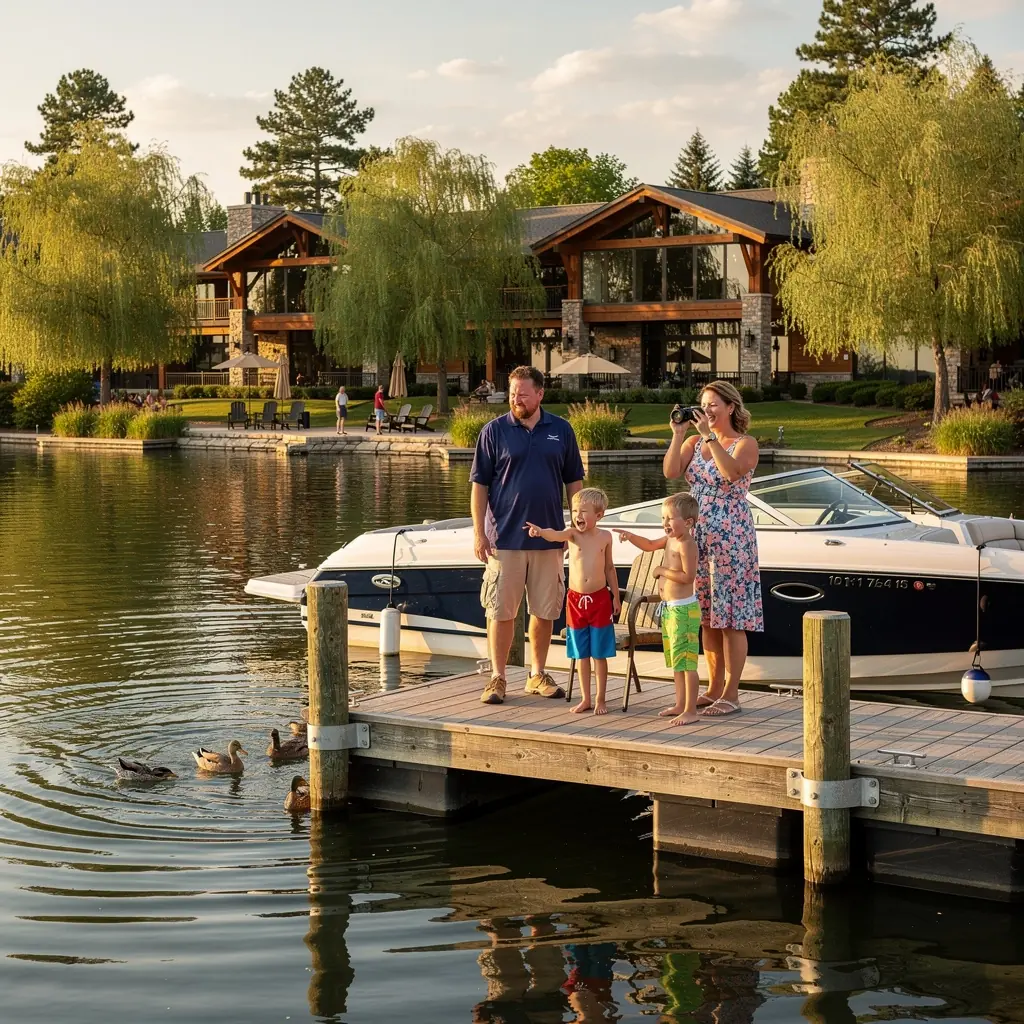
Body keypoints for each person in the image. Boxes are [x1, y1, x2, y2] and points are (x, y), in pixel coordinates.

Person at [470, 364, 584, 706]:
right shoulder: (493, 431)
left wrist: (575, 530)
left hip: (549, 538)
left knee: (545, 610)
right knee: (501, 610)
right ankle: (498, 677)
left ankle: (537, 674)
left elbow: (574, 483)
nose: (515, 399)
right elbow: (478, 487)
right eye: (512, 393)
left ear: (539, 394)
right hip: (503, 538)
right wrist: (479, 533)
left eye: (522, 393)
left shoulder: (561, 431)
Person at [662, 381, 763, 717]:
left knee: (731, 617)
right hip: (697, 534)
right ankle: (713, 688)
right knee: (706, 616)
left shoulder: (745, 444)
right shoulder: (692, 441)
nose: (705, 410)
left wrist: (709, 436)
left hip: (731, 535)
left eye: (713, 405)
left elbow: (731, 474)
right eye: (702, 404)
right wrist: (678, 434)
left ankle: (732, 694)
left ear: (731, 407)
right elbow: (671, 472)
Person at [525, 487, 620, 715]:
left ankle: (601, 699)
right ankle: (586, 698)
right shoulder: (572, 535)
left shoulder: (605, 537)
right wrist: (540, 532)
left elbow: (609, 567)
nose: (578, 515)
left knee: (599, 654)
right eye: (575, 510)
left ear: (599, 515)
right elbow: (555, 534)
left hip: (599, 600)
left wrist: (615, 596)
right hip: (575, 601)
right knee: (581, 654)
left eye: (584, 511)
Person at [615, 492, 701, 725]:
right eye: (663, 518)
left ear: (689, 522)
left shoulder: (687, 544)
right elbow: (650, 545)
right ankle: (680, 703)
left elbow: (688, 576)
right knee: (675, 660)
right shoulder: (670, 540)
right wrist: (631, 536)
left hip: (684, 610)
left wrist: (662, 571)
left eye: (670, 519)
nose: (665, 523)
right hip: (670, 609)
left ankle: (691, 710)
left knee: (687, 661)